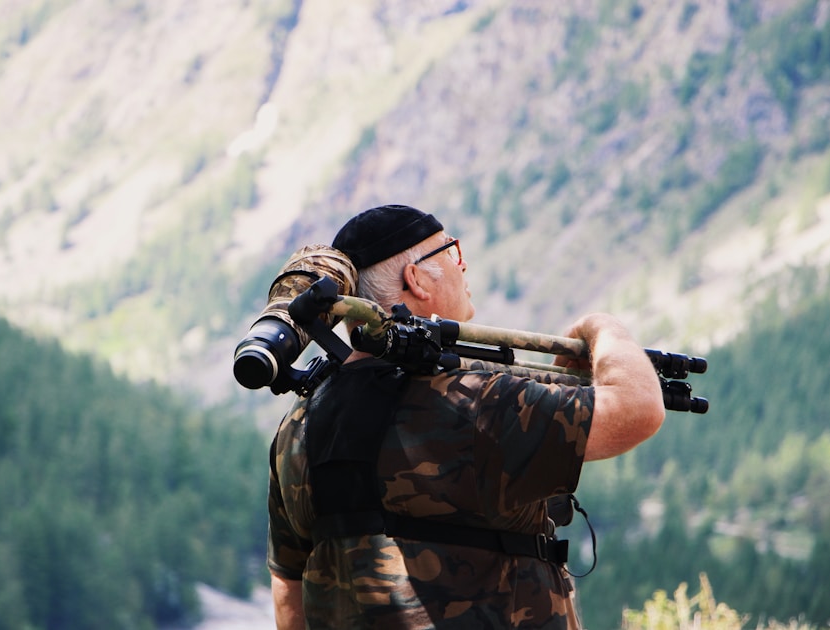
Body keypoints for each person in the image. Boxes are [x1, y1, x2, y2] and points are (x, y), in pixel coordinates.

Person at [267, 204, 665, 629]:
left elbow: (289, 593)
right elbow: (638, 409)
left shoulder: (297, 427)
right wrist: (602, 327)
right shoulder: (472, 400)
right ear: (415, 279)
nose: (463, 264)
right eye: (451, 251)